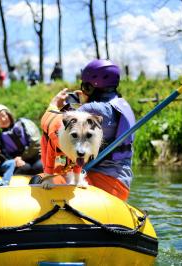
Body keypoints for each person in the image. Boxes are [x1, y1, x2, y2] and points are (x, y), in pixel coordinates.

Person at [44, 59, 136, 201]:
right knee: (59, 168)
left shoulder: (92, 108)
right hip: (121, 184)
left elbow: (58, 127)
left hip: (102, 182)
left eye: (85, 87)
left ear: (91, 87)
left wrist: (54, 105)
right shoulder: (122, 105)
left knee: (39, 180)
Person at [0, 104, 43, 175]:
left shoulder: (24, 122)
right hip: (20, 161)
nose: (3, 119)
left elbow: (36, 143)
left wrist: (22, 158)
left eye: (3, 115)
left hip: (35, 156)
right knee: (24, 168)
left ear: (8, 114)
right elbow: (4, 155)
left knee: (39, 166)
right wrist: (15, 161)